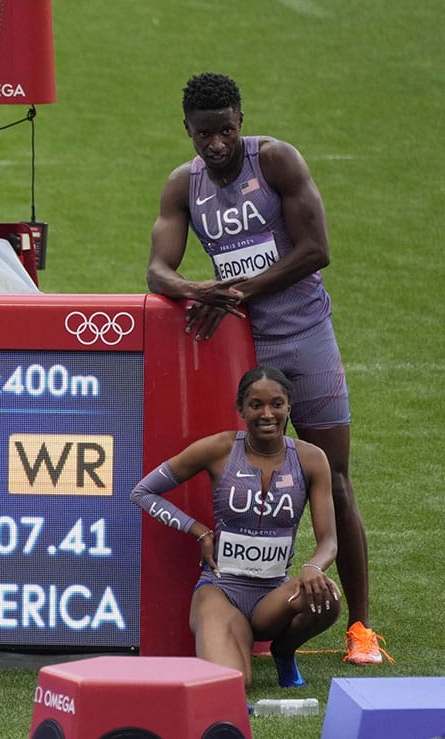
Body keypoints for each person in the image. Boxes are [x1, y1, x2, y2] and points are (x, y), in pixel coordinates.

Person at [145, 72, 387, 665]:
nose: (218, 144)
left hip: (305, 339)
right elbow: (157, 271)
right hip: (244, 351)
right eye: (205, 134)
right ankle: (250, 601)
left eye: (227, 130)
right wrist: (198, 287)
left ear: (241, 122)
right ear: (188, 131)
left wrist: (239, 290)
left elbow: (315, 249)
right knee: (244, 478)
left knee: (339, 477)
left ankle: (360, 629)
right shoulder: (184, 186)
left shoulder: (276, 161)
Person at [132, 366, 340, 687]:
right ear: (241, 409)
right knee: (231, 684)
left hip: (274, 596)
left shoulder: (311, 459)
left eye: (276, 404)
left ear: (289, 407)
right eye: (256, 405)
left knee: (327, 598)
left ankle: (284, 652)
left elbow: (329, 541)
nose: (267, 414)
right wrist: (198, 530)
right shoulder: (219, 449)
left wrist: (313, 567)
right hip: (221, 591)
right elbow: (143, 492)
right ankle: (232, 639)